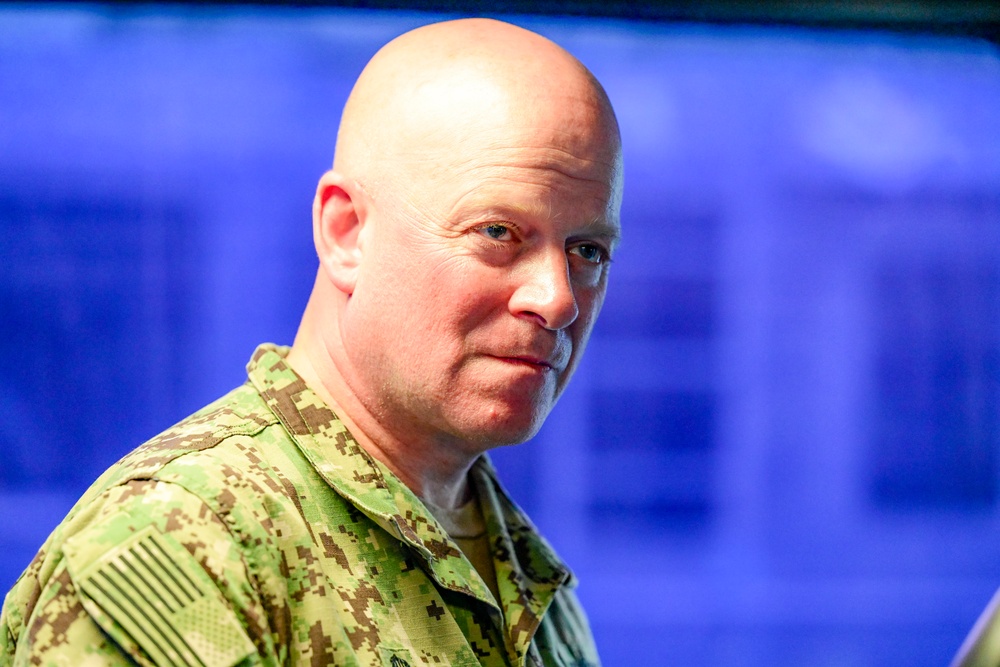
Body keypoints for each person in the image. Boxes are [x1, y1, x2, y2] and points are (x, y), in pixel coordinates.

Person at [0, 16, 622, 667]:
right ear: (348, 232)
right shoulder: (184, 545)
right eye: (498, 232)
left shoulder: (530, 582)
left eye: (588, 250)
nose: (557, 298)